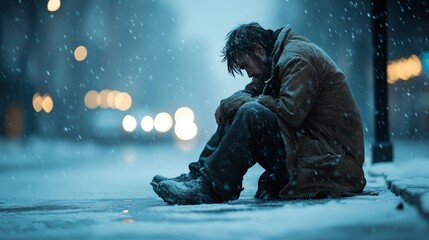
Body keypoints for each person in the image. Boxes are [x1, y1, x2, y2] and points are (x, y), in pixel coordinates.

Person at [151, 22, 366, 205]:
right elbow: (253, 92)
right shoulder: (276, 59)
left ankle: (211, 189)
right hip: (312, 148)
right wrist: (230, 103)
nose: (249, 73)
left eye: (246, 66)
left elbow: (290, 112)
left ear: (259, 49)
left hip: (334, 161)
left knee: (251, 113)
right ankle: (199, 176)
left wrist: (244, 102)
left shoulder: (297, 59)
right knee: (240, 109)